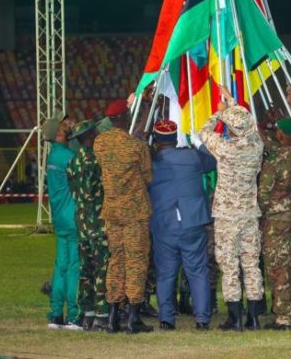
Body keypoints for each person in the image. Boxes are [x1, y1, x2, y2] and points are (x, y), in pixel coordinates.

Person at [199, 86, 264, 331]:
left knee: (229, 267)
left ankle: (234, 318)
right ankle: (254, 318)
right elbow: (249, 125)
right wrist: (232, 104)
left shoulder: (224, 148)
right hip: (249, 214)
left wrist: (219, 113)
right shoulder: (257, 145)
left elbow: (204, 132)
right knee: (251, 265)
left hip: (227, 217)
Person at [147, 120, 217, 331]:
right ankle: (202, 319)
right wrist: (199, 144)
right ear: (175, 137)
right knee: (198, 271)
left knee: (166, 273)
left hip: (165, 224)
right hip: (192, 221)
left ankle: (166, 319)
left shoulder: (150, 162)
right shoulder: (192, 156)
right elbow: (213, 162)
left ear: (157, 140)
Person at [94, 99, 154, 334]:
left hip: (112, 211)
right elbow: (147, 177)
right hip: (134, 213)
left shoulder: (100, 143)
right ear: (126, 117)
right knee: (136, 261)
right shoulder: (137, 147)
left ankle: (112, 317)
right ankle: (133, 318)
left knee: (116, 260)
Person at [258, 118, 291, 330]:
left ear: (281, 135)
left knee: (278, 267)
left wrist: (262, 215)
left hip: (277, 221)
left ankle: (283, 317)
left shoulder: (274, 161)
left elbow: (264, 193)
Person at [67, 120, 109, 332]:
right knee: (102, 269)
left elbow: (74, 191)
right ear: (91, 136)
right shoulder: (98, 160)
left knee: (86, 270)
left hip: (82, 222)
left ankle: (87, 315)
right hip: (99, 222)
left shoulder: (72, 162)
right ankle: (102, 316)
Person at [42, 111, 82, 331]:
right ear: (58, 133)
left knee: (61, 266)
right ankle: (74, 316)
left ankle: (56, 314)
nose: (68, 124)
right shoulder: (68, 156)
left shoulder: (53, 156)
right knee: (74, 266)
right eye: (64, 123)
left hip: (59, 217)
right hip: (73, 217)